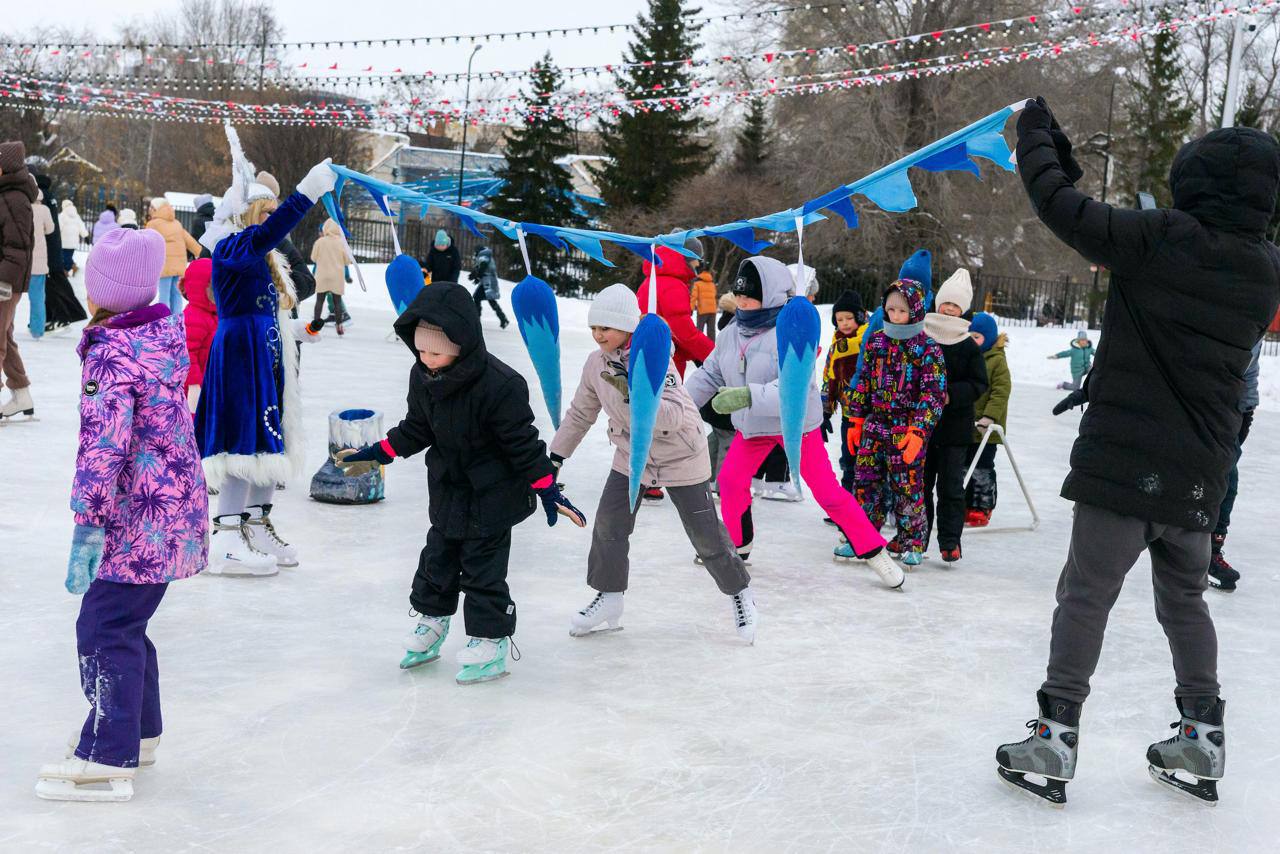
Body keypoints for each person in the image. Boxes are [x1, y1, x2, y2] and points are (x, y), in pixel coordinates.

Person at [994, 98, 1280, 807]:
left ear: (1195, 181)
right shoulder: (1264, 269)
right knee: (1184, 600)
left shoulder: (1161, 238)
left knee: (1085, 594)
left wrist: (1036, 137)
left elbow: (1064, 209)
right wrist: (1059, 149)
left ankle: (1055, 737)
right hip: (1201, 474)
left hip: (1125, 463)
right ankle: (1202, 736)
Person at [335, 284, 587, 683]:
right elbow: (417, 428)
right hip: (449, 487)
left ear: (461, 341)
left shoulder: (501, 384)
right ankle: (432, 621)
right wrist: (378, 452)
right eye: (420, 350)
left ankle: (491, 639)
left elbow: (522, 444)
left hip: (493, 495)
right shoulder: (423, 376)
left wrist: (547, 488)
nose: (426, 359)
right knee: (437, 560)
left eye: (435, 352)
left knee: (483, 570)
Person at [35, 226, 208, 803]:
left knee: (104, 628)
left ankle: (108, 753)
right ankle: (140, 731)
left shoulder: (111, 352)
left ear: (102, 293)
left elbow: (102, 448)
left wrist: (87, 522)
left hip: (138, 519)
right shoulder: (161, 333)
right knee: (126, 625)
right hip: (173, 510)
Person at [549, 284, 757, 642]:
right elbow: (581, 413)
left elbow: (675, 416)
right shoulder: (596, 364)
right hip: (632, 455)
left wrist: (641, 395)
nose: (598, 335)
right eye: (594, 328)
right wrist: (556, 457)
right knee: (609, 524)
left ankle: (741, 594)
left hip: (681, 455)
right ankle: (609, 596)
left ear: (627, 327)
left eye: (606, 328)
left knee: (706, 535)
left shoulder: (656, 357)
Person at [685, 255, 904, 589]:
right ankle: (739, 544)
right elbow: (710, 373)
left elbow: (793, 389)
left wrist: (746, 395)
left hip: (797, 426)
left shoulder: (792, 330)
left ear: (771, 295)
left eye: (750, 295)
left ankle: (874, 550)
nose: (742, 301)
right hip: (755, 426)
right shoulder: (731, 332)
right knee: (729, 481)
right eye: (739, 294)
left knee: (827, 491)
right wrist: (680, 403)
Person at [194, 159, 336, 576]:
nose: (273, 219)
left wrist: (294, 331)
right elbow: (243, 311)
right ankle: (226, 536)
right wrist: (306, 192)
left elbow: (262, 312)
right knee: (243, 443)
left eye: (276, 210)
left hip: (265, 358)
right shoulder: (232, 247)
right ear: (248, 214)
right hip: (240, 358)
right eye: (266, 212)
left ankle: (254, 524)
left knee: (268, 440)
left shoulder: (263, 256)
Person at [834, 277, 945, 566]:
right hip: (875, 424)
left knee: (907, 486)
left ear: (915, 311)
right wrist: (856, 418)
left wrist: (919, 430)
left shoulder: (928, 348)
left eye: (902, 311)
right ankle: (862, 538)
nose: (895, 316)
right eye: (891, 309)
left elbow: (933, 394)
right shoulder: (876, 341)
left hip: (905, 429)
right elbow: (863, 381)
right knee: (865, 483)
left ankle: (912, 543)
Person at [922, 269, 988, 563]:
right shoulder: (923, 336)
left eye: (955, 305)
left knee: (950, 488)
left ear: (963, 310)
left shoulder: (967, 344)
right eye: (946, 302)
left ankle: (950, 542)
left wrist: (951, 394)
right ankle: (916, 538)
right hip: (923, 427)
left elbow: (979, 383)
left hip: (954, 430)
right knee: (920, 486)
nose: (949, 309)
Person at [1207, 340, 1261, 591]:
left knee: (1228, 483)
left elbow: (1251, 371)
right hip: (1202, 408)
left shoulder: (1256, 324)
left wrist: (1247, 410)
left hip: (1232, 414)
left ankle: (1210, 551)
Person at [637, 236, 714, 378]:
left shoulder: (651, 280)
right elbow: (684, 332)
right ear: (687, 257)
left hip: (648, 351)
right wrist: (714, 355)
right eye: (697, 258)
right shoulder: (673, 285)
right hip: (667, 360)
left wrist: (691, 353)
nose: (698, 263)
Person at [0, 140, 37, 422]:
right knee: (5, 335)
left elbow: (18, 248)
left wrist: (3, 281)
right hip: (5, 278)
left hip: (5, 282)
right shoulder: (7, 195)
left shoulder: (14, 199)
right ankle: (21, 392)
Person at [964, 312, 1010, 528]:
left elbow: (1001, 392)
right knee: (964, 467)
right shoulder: (967, 357)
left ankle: (982, 507)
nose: (972, 341)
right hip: (967, 426)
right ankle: (965, 505)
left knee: (981, 468)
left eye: (977, 337)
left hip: (987, 430)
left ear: (989, 338)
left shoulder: (997, 360)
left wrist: (989, 417)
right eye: (969, 336)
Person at [821, 289, 868, 493]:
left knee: (866, 462)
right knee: (848, 458)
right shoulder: (837, 346)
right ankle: (847, 501)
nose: (845, 323)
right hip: (848, 415)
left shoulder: (870, 341)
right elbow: (827, 378)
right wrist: (824, 412)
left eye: (849, 318)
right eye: (840, 320)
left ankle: (867, 503)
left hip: (869, 415)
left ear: (859, 317)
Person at [36, 174, 87, 331]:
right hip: (58, 245)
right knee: (54, 282)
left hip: (49, 248)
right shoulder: (50, 197)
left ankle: (64, 315)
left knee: (52, 284)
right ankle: (54, 316)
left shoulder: (42, 197)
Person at [145, 197, 202, 314]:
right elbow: (189, 240)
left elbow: (146, 243)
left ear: (155, 209)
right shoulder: (176, 223)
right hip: (179, 265)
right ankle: (177, 318)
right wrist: (200, 253)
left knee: (164, 294)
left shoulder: (153, 224)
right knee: (176, 294)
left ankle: (164, 318)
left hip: (165, 265)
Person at [182, 257, 217, 412]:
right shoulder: (192, 317)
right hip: (196, 389)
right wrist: (194, 385)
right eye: (213, 287)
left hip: (212, 381)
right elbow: (187, 354)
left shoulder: (215, 314)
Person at [310, 218, 350, 336]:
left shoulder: (320, 242)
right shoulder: (342, 243)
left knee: (319, 301)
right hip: (337, 277)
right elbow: (347, 261)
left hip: (322, 275)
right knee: (337, 302)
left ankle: (315, 326)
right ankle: (339, 326)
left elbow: (313, 258)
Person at [26, 189, 55, 340]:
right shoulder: (44, 209)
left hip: (22, 259)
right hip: (38, 261)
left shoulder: (22, 207)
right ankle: (37, 330)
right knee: (37, 297)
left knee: (10, 298)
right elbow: (50, 229)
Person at [468, 244, 509, 328]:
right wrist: (475, 275)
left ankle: (477, 320)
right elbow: (480, 267)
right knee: (490, 299)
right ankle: (503, 319)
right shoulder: (485, 255)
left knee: (477, 298)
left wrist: (477, 276)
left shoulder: (483, 255)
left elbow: (483, 266)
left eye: (475, 252)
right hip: (488, 281)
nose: (475, 254)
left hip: (488, 282)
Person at [58, 198, 88, 274]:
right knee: (68, 256)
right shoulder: (77, 216)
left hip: (64, 241)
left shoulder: (62, 215)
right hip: (73, 242)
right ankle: (72, 267)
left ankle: (67, 270)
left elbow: (59, 227)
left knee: (63, 257)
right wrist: (85, 235)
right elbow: (81, 226)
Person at [690, 264, 717, 341]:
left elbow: (693, 297)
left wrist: (691, 308)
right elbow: (714, 295)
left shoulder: (697, 284)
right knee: (711, 330)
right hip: (712, 309)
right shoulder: (712, 284)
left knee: (699, 329)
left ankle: (699, 344)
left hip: (702, 310)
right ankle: (712, 346)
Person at [190, 193, 216, 258]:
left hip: (203, 256)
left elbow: (194, 241)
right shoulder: (218, 217)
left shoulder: (198, 221)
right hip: (217, 254)